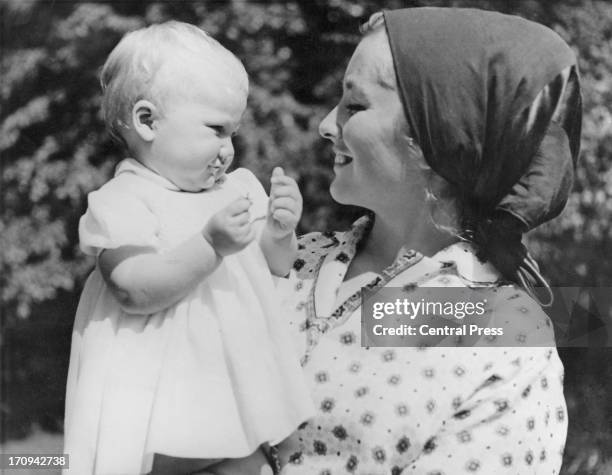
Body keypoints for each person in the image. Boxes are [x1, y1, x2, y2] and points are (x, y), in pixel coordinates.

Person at [274, 7, 582, 475]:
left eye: (354, 106)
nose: (325, 124)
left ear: (438, 136)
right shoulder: (291, 258)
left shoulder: (500, 335)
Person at [63, 21, 313, 475]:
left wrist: (279, 231)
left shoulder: (236, 190)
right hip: (158, 403)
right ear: (147, 121)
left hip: (231, 395)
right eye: (216, 129)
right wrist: (208, 246)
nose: (228, 149)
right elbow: (132, 290)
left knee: (249, 461)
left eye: (232, 133)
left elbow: (276, 267)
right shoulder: (126, 202)